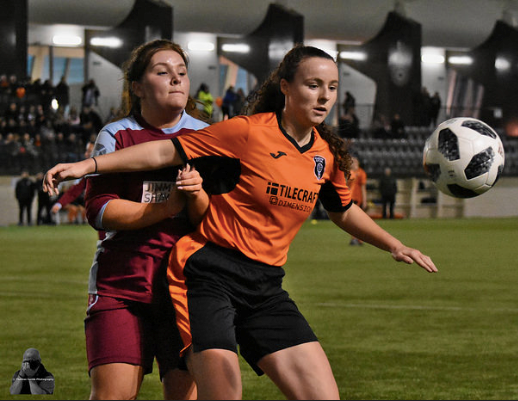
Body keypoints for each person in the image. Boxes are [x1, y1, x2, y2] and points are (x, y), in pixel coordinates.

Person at [44, 44, 437, 400]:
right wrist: (87, 166)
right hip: (207, 276)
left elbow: (343, 210)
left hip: (265, 285)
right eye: (313, 85)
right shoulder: (246, 132)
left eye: (332, 87)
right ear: (286, 87)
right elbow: (164, 152)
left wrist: (394, 244)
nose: (324, 96)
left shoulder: (326, 155)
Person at [57, 39, 211, 400]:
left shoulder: (207, 137)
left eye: (182, 72)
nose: (176, 79)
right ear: (138, 87)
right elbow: (99, 210)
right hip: (121, 286)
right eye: (163, 72)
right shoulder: (116, 134)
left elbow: (215, 220)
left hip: (187, 288)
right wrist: (165, 208)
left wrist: (197, 195)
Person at [347, 157, 367, 245]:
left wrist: (364, 200)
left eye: (355, 161)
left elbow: (363, 188)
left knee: (357, 220)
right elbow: (347, 186)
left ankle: (358, 239)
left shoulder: (361, 173)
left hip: (357, 199)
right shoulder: (349, 173)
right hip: (350, 198)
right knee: (352, 220)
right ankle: (356, 238)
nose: (353, 163)